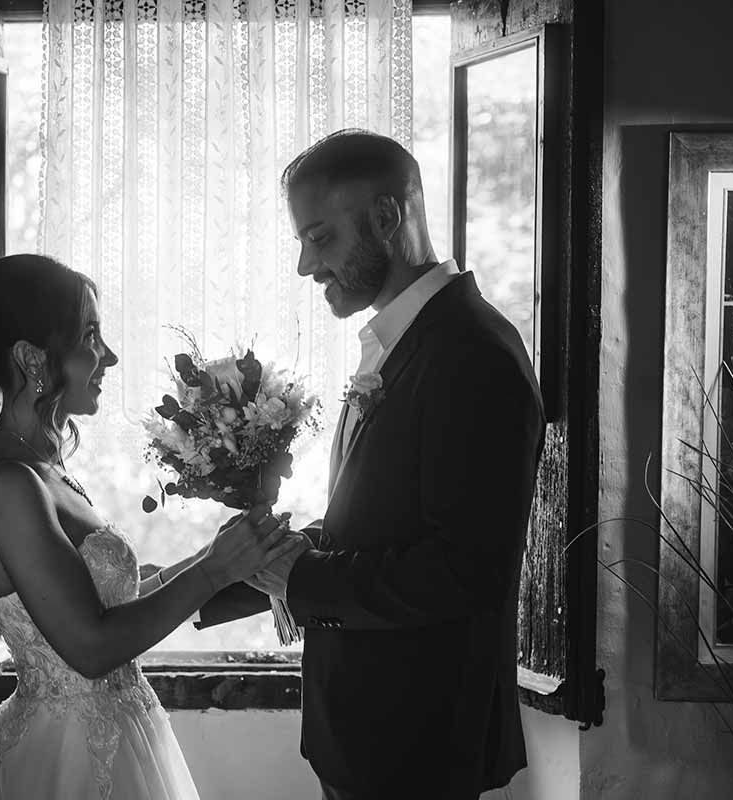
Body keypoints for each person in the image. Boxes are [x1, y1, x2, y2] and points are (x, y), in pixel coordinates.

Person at [198, 130, 546, 799]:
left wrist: (302, 580)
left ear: (387, 218)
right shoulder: (404, 341)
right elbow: (379, 524)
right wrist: (221, 575)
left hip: (416, 745)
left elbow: (463, 569)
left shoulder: (473, 356)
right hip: (366, 736)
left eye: (321, 237)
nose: (305, 265)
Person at [0, 253, 306, 800]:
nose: (109, 356)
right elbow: (90, 646)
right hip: (63, 758)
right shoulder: (6, 487)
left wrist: (226, 553)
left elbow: (113, 598)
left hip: (119, 731)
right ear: (31, 357)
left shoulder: (46, 470)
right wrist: (213, 572)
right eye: (90, 336)